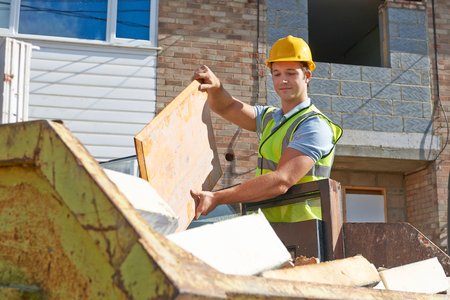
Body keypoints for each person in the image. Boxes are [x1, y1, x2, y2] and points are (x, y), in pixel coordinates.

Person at [191, 35, 342, 222]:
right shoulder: (271, 118)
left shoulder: (314, 125)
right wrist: (216, 87)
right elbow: (227, 107)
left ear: (307, 76)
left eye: (291, 73)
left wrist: (217, 197)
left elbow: (281, 180)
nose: (283, 80)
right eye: (277, 74)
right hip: (270, 226)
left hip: (304, 230)